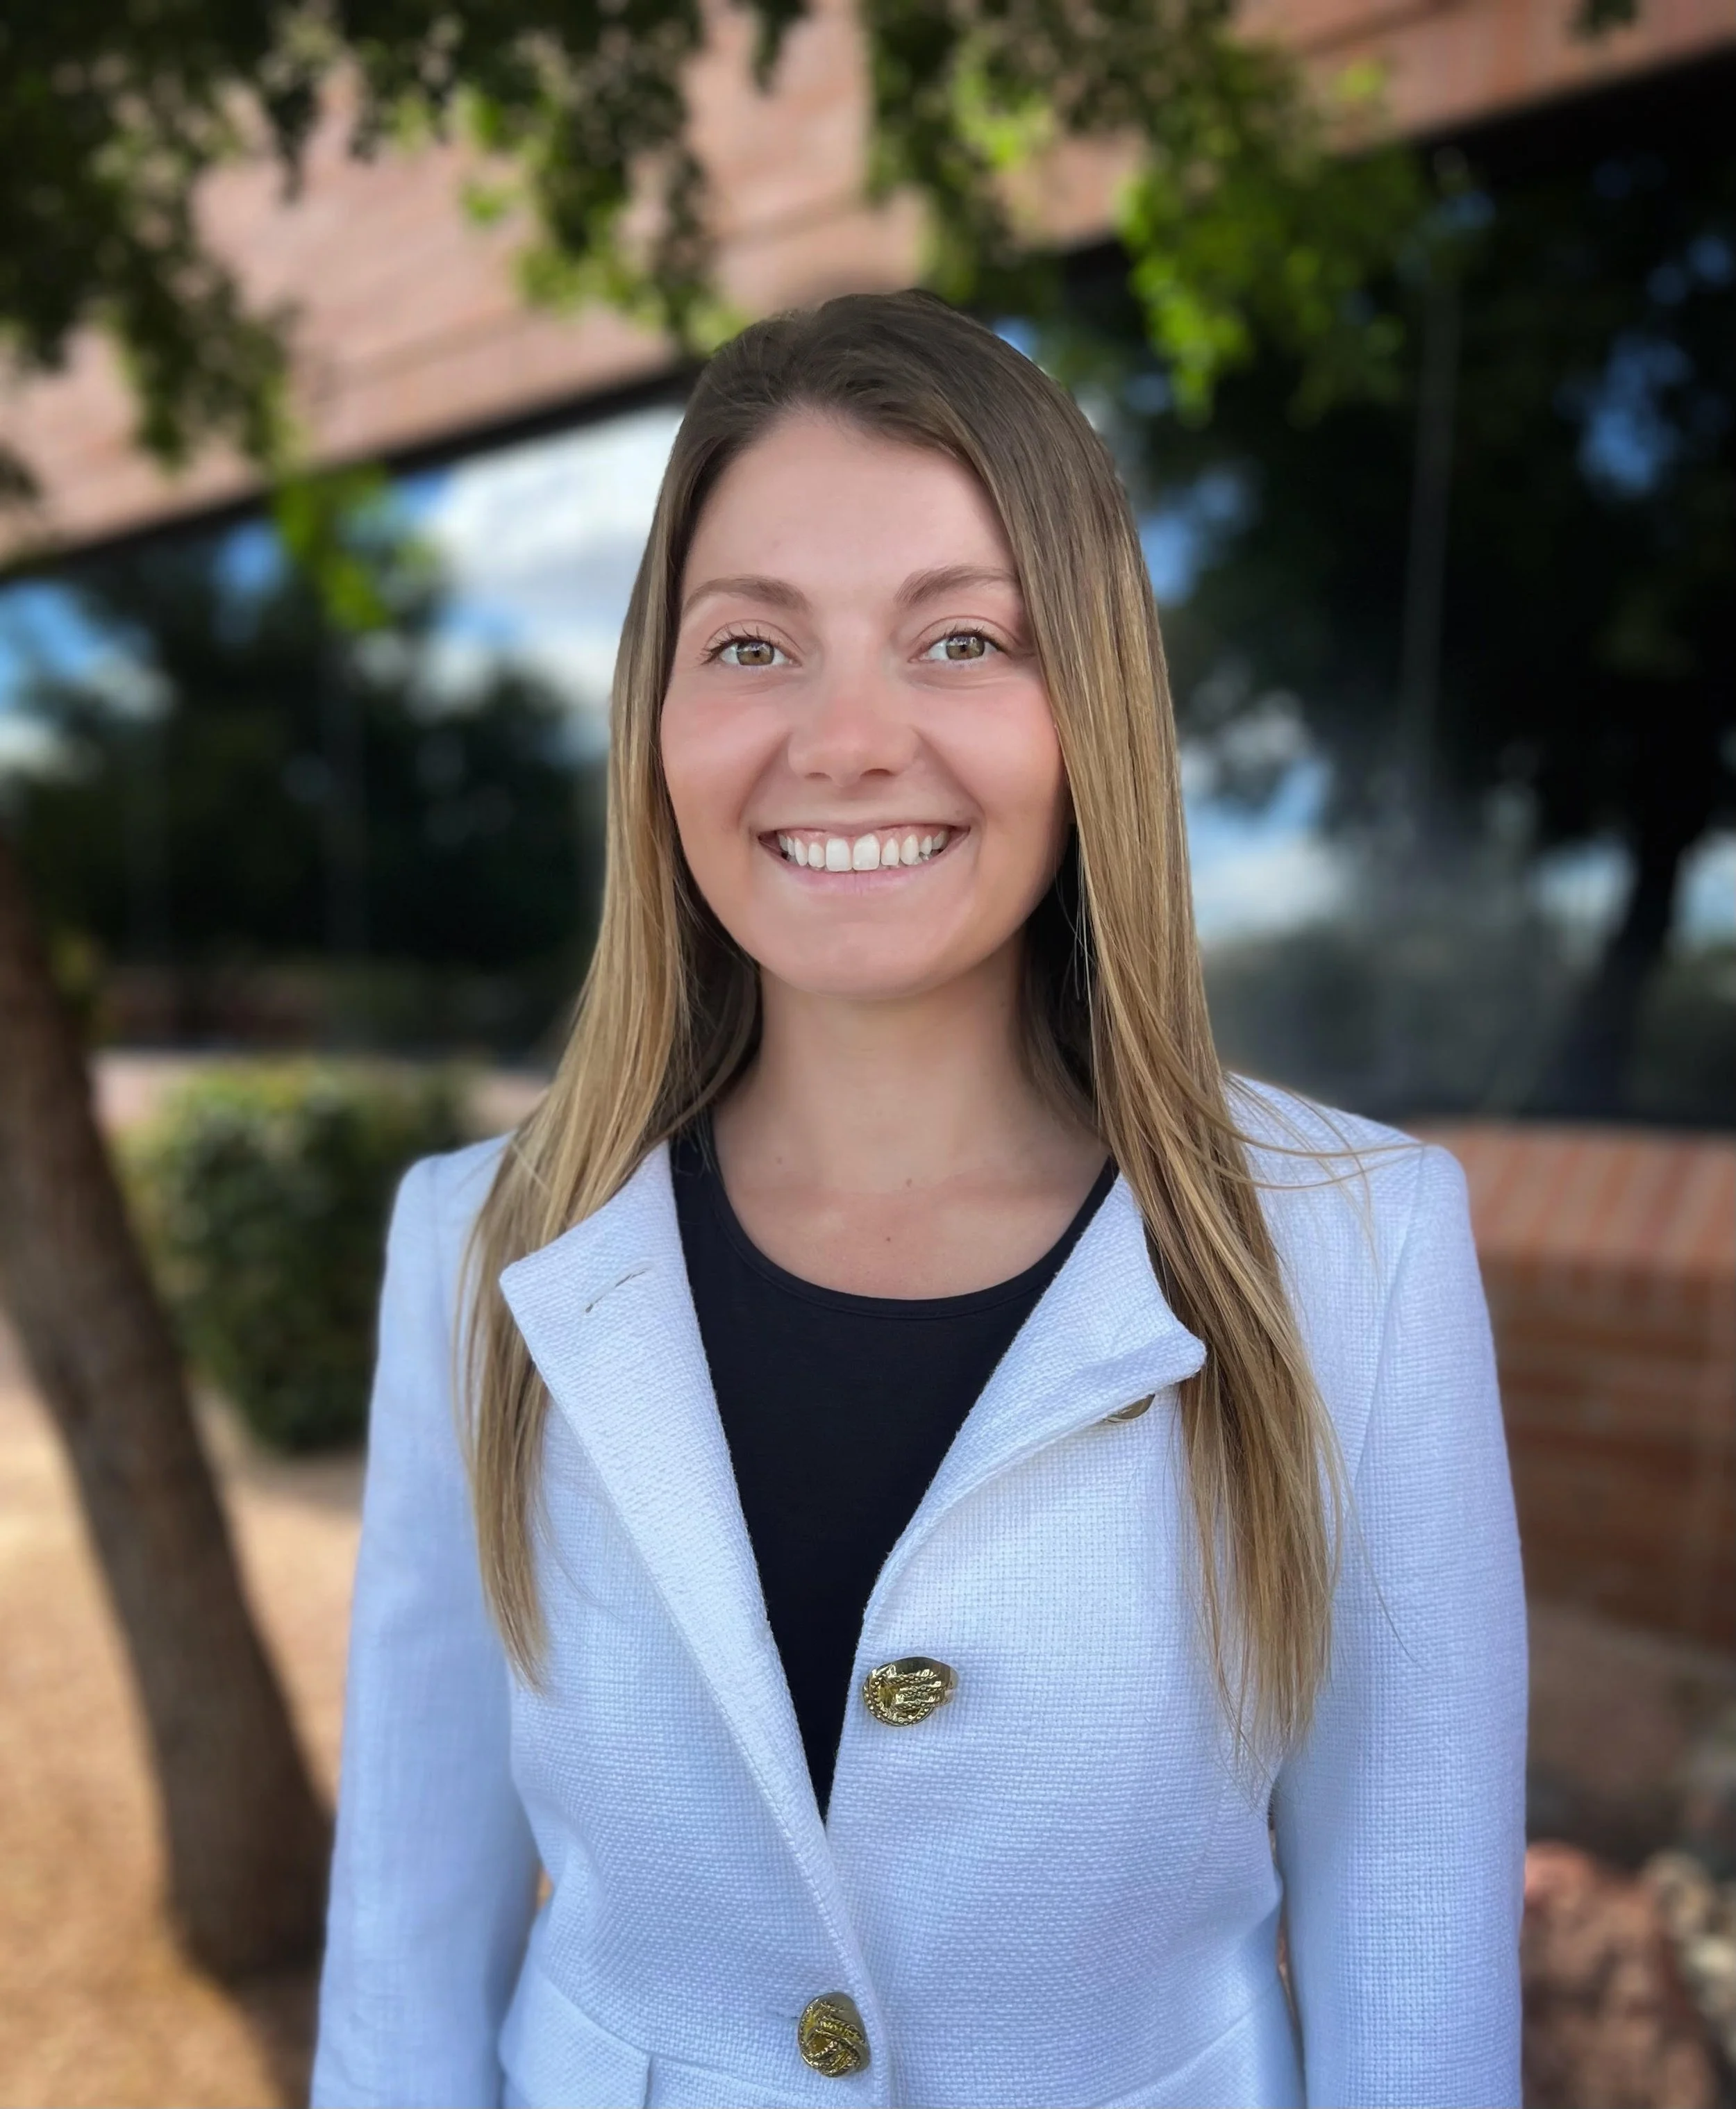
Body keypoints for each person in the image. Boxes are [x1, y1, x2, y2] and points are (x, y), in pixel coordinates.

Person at [310, 290, 1527, 2109]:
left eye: (960, 639)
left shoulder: (1358, 1247)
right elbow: (405, 1961)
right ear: (656, 713)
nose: (847, 737)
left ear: (1087, 714)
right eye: (751, 648)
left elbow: (1411, 1967)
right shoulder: (475, 1252)